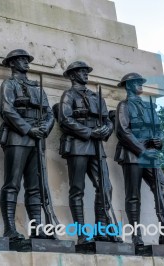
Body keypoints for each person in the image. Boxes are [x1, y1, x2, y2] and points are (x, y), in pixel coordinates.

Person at [114, 72, 164, 246]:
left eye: (141, 81)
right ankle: (136, 236)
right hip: (133, 154)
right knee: (133, 196)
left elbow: (159, 129)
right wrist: (142, 150)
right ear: (128, 85)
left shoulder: (149, 106)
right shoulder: (123, 106)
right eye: (137, 82)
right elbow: (122, 131)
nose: (140, 84)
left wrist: (159, 141)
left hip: (150, 155)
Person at [58, 61, 119, 245]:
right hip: (78, 145)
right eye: (81, 71)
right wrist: (89, 132)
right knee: (77, 190)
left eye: (86, 71)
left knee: (106, 187)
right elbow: (65, 119)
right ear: (72, 75)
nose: (85, 74)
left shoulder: (95, 96)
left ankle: (101, 229)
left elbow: (108, 120)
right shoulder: (68, 95)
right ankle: (81, 234)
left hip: (96, 146)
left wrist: (106, 130)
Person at [0, 49, 54, 241]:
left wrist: (44, 128)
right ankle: (10, 228)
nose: (26, 63)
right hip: (17, 137)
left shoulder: (37, 87)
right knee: (12, 184)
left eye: (26, 60)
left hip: (38, 138)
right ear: (12, 64)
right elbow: (7, 109)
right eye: (21, 60)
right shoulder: (9, 84)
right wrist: (29, 130)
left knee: (35, 187)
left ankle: (36, 227)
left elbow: (49, 113)